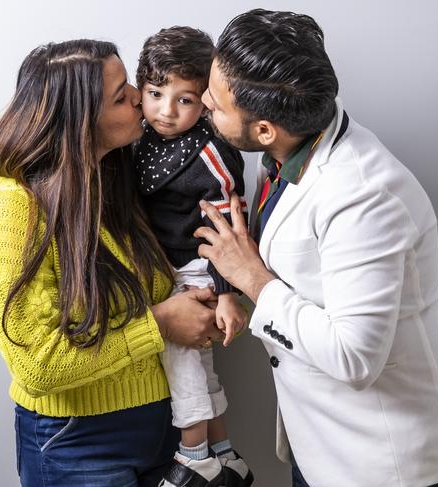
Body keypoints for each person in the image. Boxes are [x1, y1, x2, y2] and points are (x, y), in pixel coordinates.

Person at [196, 9, 438, 487]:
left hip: (386, 463)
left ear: (265, 130)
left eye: (215, 103)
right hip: (322, 445)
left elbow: (354, 357)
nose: (203, 101)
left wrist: (253, 280)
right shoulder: (296, 130)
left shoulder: (367, 198)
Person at [0, 39, 225, 487]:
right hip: (79, 442)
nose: (137, 95)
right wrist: (161, 325)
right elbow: (38, 365)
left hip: (167, 430)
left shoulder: (115, 183)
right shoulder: (13, 207)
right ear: (79, 120)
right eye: (120, 94)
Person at [134, 26, 253, 487]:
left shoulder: (208, 151)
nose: (166, 110)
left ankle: (194, 454)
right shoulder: (143, 138)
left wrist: (226, 294)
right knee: (199, 366)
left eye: (184, 99)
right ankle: (225, 452)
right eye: (155, 93)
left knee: (181, 357)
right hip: (165, 264)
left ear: (206, 100)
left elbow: (228, 223)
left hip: (198, 266)